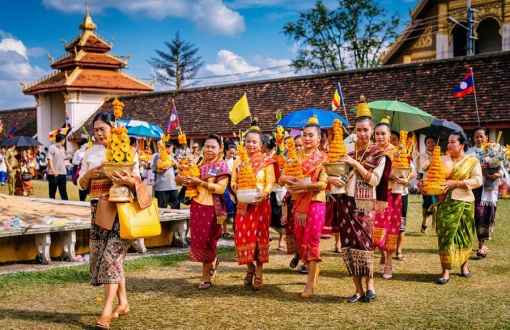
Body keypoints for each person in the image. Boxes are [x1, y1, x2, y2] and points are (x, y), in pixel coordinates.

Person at [78, 111, 141, 329]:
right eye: (95, 130)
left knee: (111, 259)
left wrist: (126, 179)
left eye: (102, 129)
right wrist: (90, 175)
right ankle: (123, 302)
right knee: (103, 257)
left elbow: (137, 181)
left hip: (120, 209)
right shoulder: (90, 153)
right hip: (97, 209)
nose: (99, 133)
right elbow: (80, 184)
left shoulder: (128, 150)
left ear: (113, 128)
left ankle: (105, 313)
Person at [330, 96, 391, 303]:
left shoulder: (379, 154)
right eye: (358, 130)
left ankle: (370, 286)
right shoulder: (348, 152)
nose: (362, 134)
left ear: (372, 131)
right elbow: (338, 176)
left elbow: (373, 180)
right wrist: (332, 177)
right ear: (354, 131)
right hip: (346, 202)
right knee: (348, 245)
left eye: (366, 130)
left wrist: (354, 163)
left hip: (365, 205)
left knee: (365, 245)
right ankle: (357, 290)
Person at [418, 131, 482, 285]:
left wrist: (456, 183)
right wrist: (422, 184)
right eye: (449, 142)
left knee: (464, 235)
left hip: (465, 202)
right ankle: (445, 270)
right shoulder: (441, 159)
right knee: (445, 236)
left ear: (462, 145)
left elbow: (478, 180)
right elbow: (430, 176)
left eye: (453, 142)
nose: (449, 145)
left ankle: (464, 266)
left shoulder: (472, 161)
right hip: (445, 202)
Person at [279, 115, 327, 298]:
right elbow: (281, 178)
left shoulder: (323, 158)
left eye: (311, 135)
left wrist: (305, 186)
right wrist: (289, 180)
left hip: (315, 200)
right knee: (300, 241)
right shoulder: (292, 157)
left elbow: (323, 183)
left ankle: (309, 285)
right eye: (304, 135)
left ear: (319, 138)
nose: (307, 138)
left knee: (312, 239)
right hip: (297, 201)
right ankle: (312, 268)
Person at [175, 134, 230, 289]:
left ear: (220, 149)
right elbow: (178, 179)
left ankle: (206, 276)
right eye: (207, 146)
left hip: (213, 208)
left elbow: (221, 188)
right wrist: (183, 179)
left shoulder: (222, 166)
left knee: (209, 240)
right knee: (199, 240)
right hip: (197, 206)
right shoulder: (197, 163)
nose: (209, 150)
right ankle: (213, 261)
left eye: (213, 147)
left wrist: (200, 182)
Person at [232, 120, 276, 290]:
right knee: (242, 237)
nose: (250, 144)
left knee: (259, 238)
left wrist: (264, 194)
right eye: (248, 141)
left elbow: (270, 182)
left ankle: (258, 272)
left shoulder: (266, 162)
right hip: (243, 205)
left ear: (260, 144)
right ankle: (249, 268)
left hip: (261, 204)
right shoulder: (238, 161)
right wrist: (235, 187)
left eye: (254, 142)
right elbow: (233, 181)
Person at [467, 127, 505, 258]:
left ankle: (483, 243)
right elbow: (466, 169)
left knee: (489, 214)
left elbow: (504, 167)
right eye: (476, 136)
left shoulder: (495, 150)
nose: (479, 139)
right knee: (478, 213)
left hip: (491, 188)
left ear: (487, 137)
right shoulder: (470, 153)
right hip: (477, 188)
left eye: (481, 136)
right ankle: (481, 245)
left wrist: (498, 174)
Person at [371, 118, 401, 280]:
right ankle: (382, 254)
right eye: (377, 134)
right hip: (373, 195)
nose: (380, 136)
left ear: (389, 135)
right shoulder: (371, 151)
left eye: (383, 133)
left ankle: (388, 263)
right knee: (373, 229)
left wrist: (400, 177)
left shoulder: (397, 152)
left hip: (392, 195)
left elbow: (409, 172)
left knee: (390, 229)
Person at [390, 131, 417, 262]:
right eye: (390, 139)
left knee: (401, 222)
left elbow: (414, 173)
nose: (393, 142)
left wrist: (406, 177)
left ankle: (399, 249)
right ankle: (386, 247)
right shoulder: (386, 156)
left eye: (395, 139)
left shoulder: (406, 157)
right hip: (388, 193)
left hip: (402, 193)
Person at [419, 135, 437, 233]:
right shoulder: (423, 155)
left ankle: (438, 225)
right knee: (427, 203)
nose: (431, 144)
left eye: (432, 142)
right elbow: (423, 167)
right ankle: (425, 221)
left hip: (438, 182)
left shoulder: (441, 154)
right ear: (425, 144)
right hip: (427, 183)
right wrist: (431, 157)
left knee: (437, 204)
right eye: (428, 142)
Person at [152, 142, 180, 209]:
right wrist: (162, 170)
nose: (172, 150)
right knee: (161, 207)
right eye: (171, 149)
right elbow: (155, 170)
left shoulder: (171, 156)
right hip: (162, 186)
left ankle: (169, 207)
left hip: (172, 185)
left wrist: (175, 164)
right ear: (166, 148)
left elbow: (176, 167)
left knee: (176, 201)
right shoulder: (157, 157)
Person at [222, 143, 237, 238]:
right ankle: (225, 230)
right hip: (223, 187)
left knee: (235, 208)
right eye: (230, 153)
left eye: (233, 153)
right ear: (225, 151)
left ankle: (236, 229)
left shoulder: (237, 162)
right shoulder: (221, 161)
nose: (231, 155)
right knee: (224, 207)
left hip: (234, 187)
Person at [47, 134, 69, 200]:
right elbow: (49, 159)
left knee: (63, 191)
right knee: (52, 192)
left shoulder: (63, 148)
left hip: (62, 173)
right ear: (62, 140)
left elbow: (63, 159)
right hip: (54, 174)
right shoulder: (52, 148)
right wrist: (53, 170)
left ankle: (66, 205)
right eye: (64, 139)